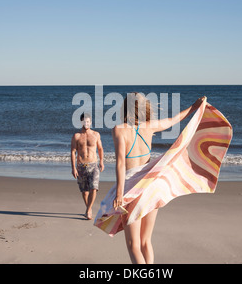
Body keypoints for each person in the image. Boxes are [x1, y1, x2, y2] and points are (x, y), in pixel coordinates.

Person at [111, 92, 205, 264]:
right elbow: (174, 120)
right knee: (146, 241)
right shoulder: (150, 126)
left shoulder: (119, 129)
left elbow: (120, 164)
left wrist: (119, 194)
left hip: (132, 189)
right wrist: (195, 106)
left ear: (125, 108)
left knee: (134, 245)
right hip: (151, 186)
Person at [71, 113, 104, 220]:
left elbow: (100, 149)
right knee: (84, 191)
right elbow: (73, 152)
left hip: (93, 165)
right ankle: (88, 208)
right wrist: (73, 168)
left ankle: (88, 209)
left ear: (91, 122)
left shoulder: (96, 134)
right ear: (81, 122)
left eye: (88, 121)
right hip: (81, 166)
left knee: (94, 188)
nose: (87, 123)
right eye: (85, 121)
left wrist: (102, 162)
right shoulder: (76, 136)